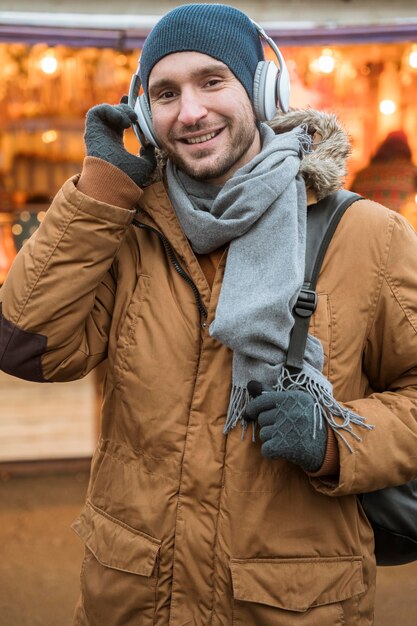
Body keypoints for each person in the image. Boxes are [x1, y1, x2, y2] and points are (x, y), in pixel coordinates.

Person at [1, 4, 417, 625]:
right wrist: (99, 191)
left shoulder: (368, 237)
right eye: (165, 92)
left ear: (260, 89)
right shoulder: (127, 231)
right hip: (135, 601)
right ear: (144, 112)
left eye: (212, 81)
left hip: (287, 605)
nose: (189, 112)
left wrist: (335, 438)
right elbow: (28, 345)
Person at [350, 129, 417, 219]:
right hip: (396, 226)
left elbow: (348, 203)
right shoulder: (412, 172)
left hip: (367, 223)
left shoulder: (363, 174)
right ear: (407, 147)